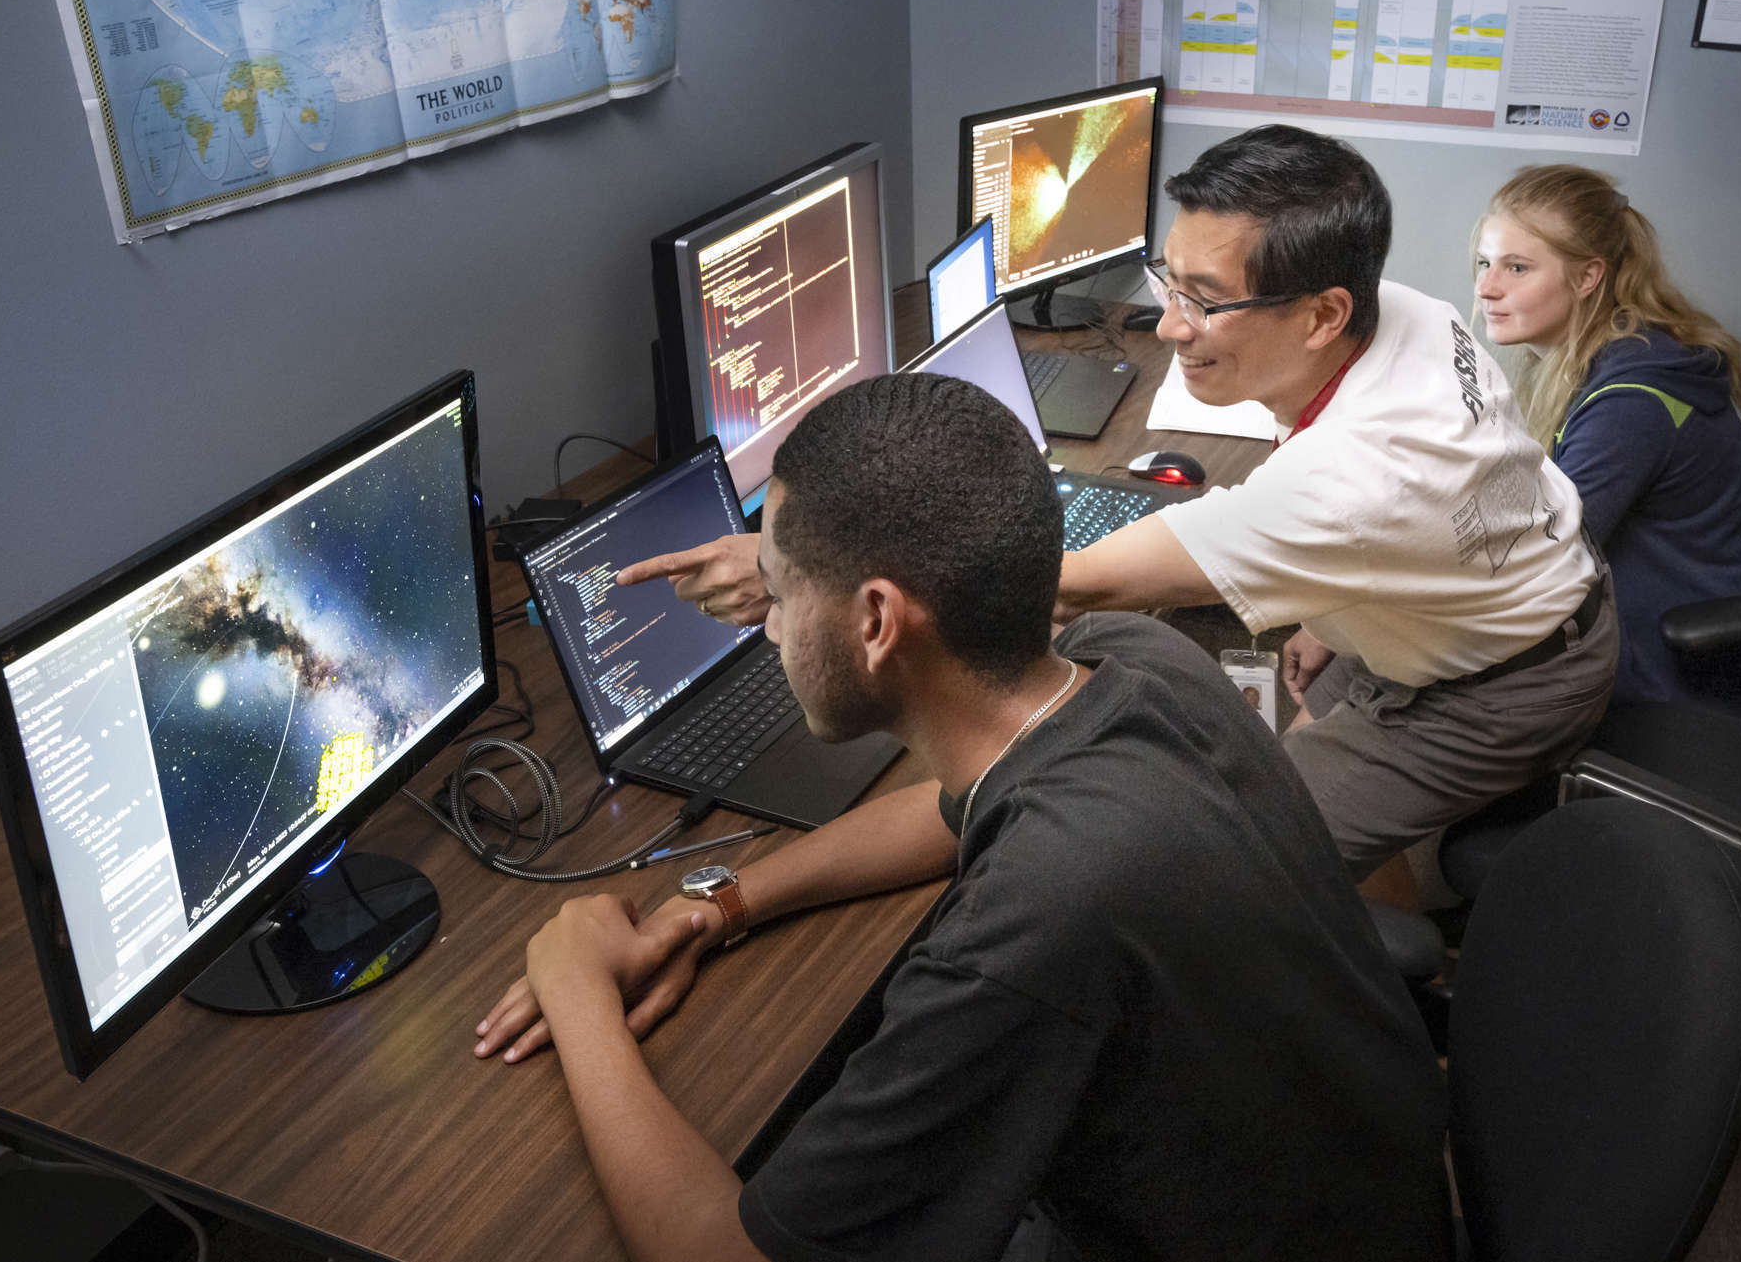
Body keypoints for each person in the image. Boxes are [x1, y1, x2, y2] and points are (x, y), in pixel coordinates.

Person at [476, 373, 1451, 1262]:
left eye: (776, 593)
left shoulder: (1033, 920)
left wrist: (578, 991)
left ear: (874, 620)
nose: (768, 624)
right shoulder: (1141, 663)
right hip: (1362, 1185)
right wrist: (721, 900)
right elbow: (951, 815)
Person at [1051, 124, 1618, 879]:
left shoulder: (1353, 482)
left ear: (1323, 315)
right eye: (1170, 280)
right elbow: (1396, 512)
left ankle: (1381, 963)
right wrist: (1335, 596)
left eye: (1205, 300)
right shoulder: (1405, 309)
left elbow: (1083, 582)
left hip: (1509, 683)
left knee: (1245, 861)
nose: (1168, 324)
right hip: (1510, 586)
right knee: (1295, 725)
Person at [1473, 164, 1741, 710]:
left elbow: (1536, 558)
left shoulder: (1633, 400)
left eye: (1516, 268)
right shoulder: (1595, 360)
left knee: (1418, 679)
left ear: (1588, 277)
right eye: (1485, 263)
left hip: (1668, 663)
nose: (1487, 287)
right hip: (1624, 617)